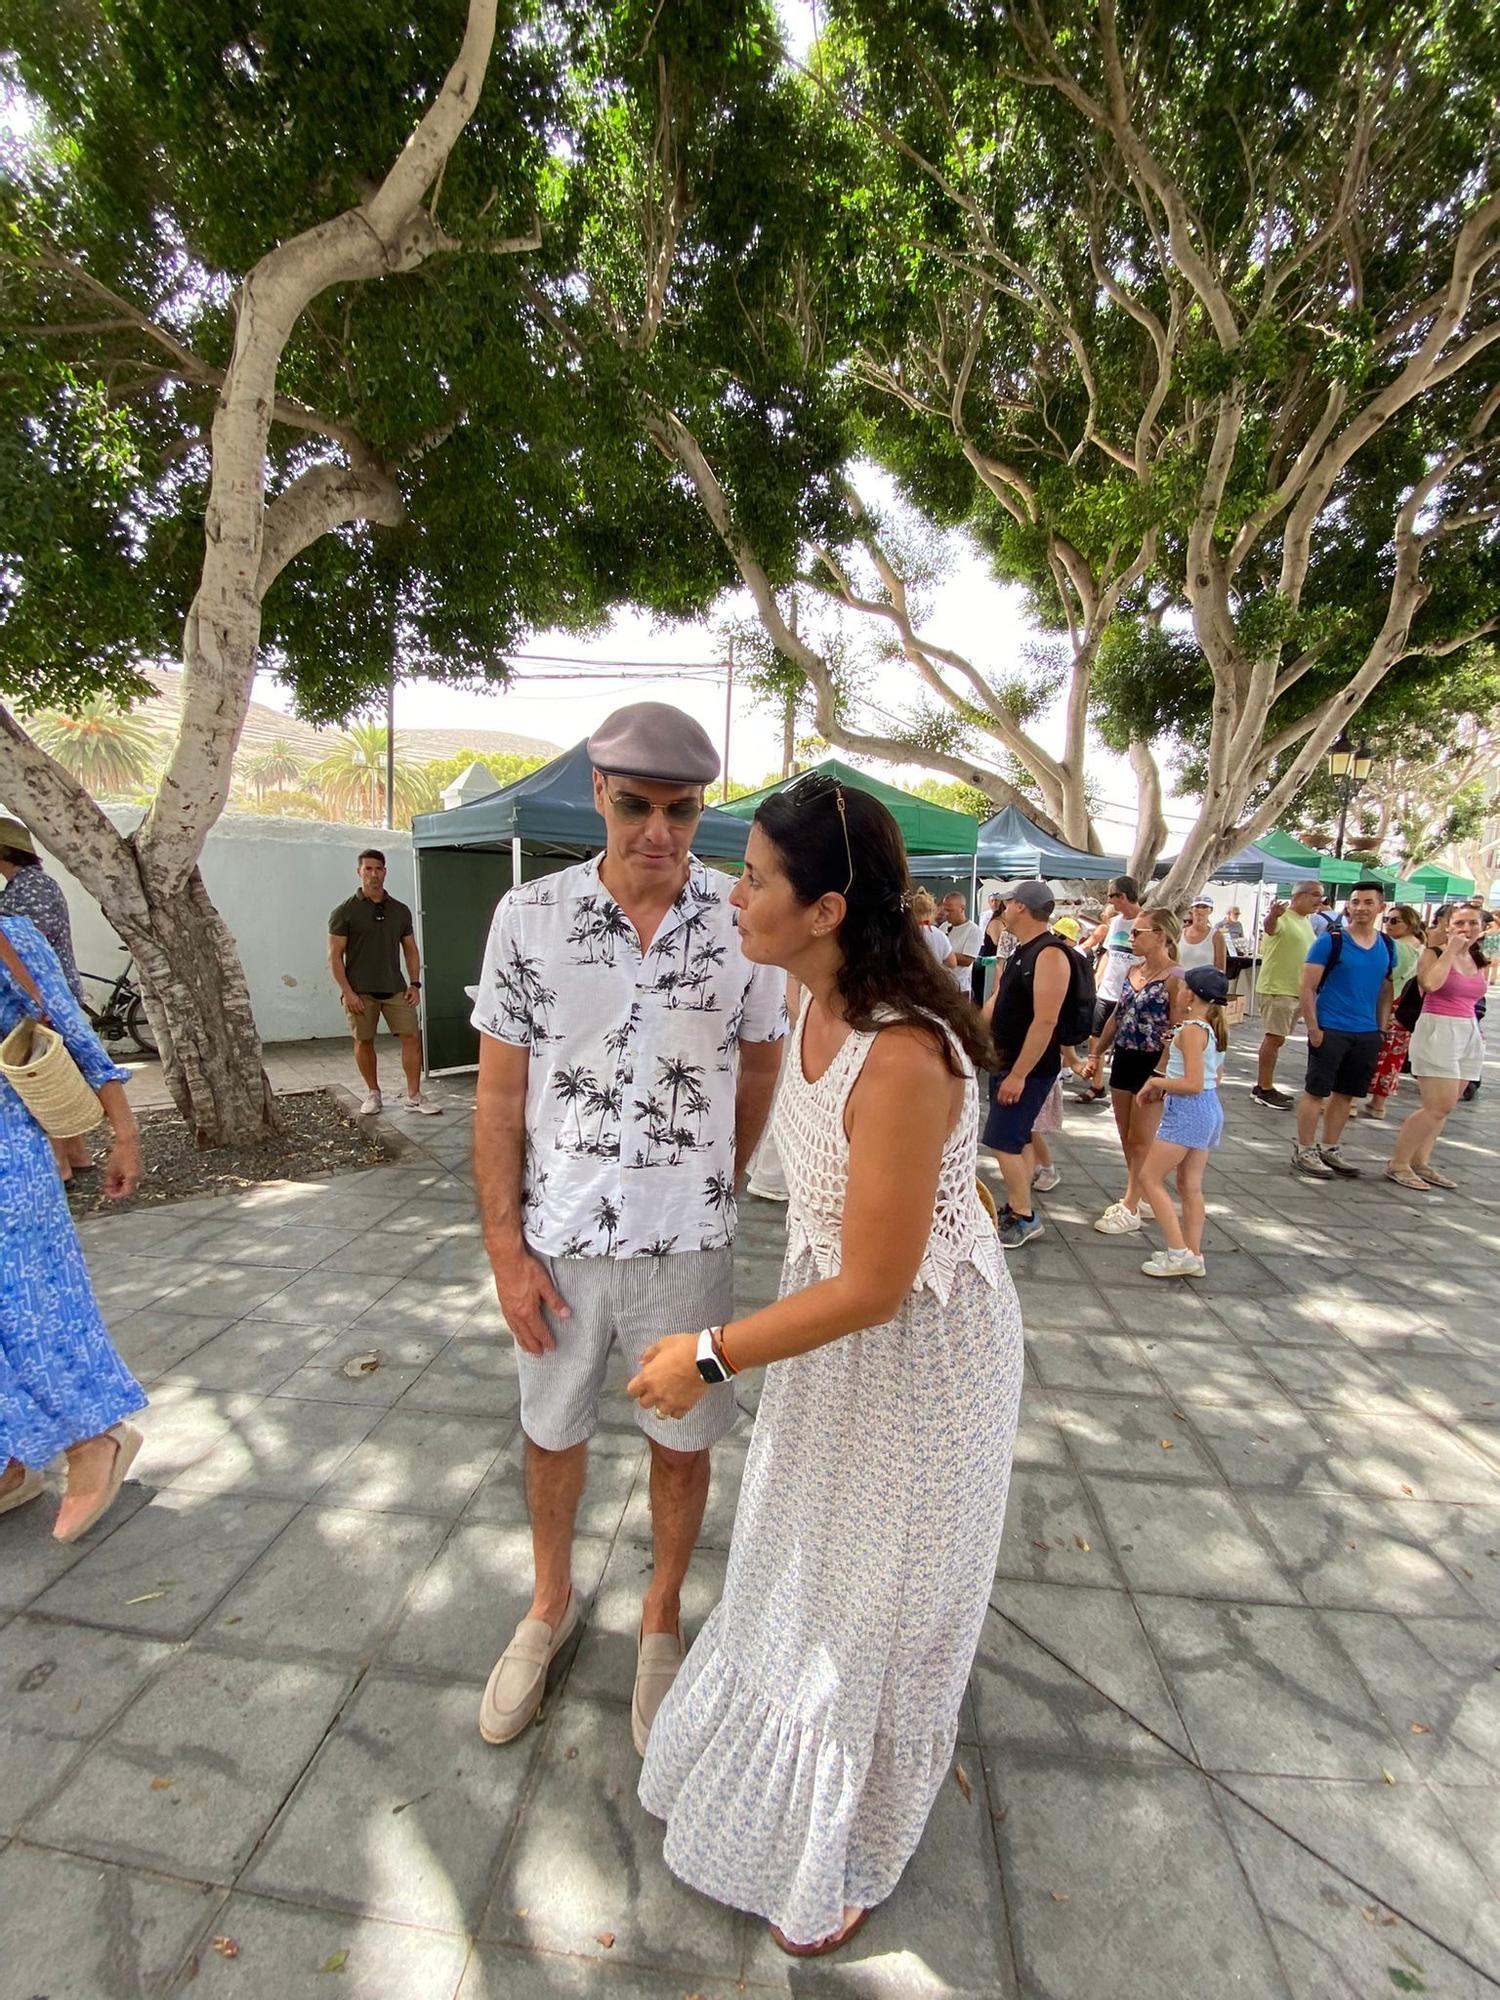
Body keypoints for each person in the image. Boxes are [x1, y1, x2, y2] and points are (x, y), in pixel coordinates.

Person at [629, 775, 1021, 1958]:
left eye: (754, 878)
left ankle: (839, 1839)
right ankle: (770, 1774)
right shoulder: (801, 998)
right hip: (835, 1341)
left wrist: (706, 1352)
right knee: (802, 1564)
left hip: (921, 1359)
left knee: (875, 1603)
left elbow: (877, 1285)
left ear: (829, 909)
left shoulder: (904, 1055)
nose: (730, 890)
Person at [471, 702, 786, 1755]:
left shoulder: (742, 921)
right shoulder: (530, 914)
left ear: (704, 807)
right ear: (599, 793)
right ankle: (549, 1604)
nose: (660, 826)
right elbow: (497, 1098)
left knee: (683, 1440)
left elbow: (762, 1062)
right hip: (557, 1238)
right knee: (551, 1429)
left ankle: (659, 1616)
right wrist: (506, 1252)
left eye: (683, 807)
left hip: (686, 1244)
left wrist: (722, 1179)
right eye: (638, 802)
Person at [1, 915, 147, 1542]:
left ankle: (95, 1436)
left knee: (33, 1302)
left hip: (7, 1156)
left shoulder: (9, 934)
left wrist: (124, 1132)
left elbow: (72, 1031)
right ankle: (10, 1457)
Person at [980, 881, 1075, 1249]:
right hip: (1007, 1060)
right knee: (1015, 1138)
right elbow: (997, 1001)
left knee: (1001, 1140)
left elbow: (1046, 1021)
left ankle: (1025, 1216)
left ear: (1021, 906)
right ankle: (1017, 1206)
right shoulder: (1023, 950)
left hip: (1028, 1068)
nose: (1001, 908)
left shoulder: (1050, 954)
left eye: (1006, 903)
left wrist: (1019, 1074)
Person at [0, 815, 94, 1181]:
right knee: (55, 1077)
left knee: (42, 1083)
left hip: (40, 999)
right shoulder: (23, 886)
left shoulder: (31, 888)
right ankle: (77, 1156)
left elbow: (27, 952)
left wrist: (36, 1002)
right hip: (42, 997)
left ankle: (63, 1167)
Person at [1085, 906, 1184, 1233]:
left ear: (1160, 936)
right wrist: (1097, 1053)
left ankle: (1131, 1205)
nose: (1132, 937)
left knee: (1142, 1139)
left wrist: (1162, 1070)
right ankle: (1138, 1194)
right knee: (1127, 1136)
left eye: (1138, 932)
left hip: (1151, 1062)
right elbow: (1118, 1016)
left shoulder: (1176, 978)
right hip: (1125, 1057)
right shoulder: (1133, 971)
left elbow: (1177, 1026)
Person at [1292, 881, 1395, 1179]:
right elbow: (1308, 987)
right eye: (1355, 902)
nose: (1361, 908)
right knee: (1316, 1092)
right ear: (1347, 906)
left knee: (1346, 1095)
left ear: (1380, 907)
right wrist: (1314, 1028)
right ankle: (1305, 1148)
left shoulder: (1386, 946)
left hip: (1365, 1032)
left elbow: (1386, 989)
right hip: (1330, 1027)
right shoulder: (1330, 941)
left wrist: (1381, 1027)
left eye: (1368, 902)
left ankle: (1330, 1147)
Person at [328, 849, 441, 1117]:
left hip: (394, 988)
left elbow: (410, 949)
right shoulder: (344, 912)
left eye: (378, 869)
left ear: (385, 871)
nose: (373, 874)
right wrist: (347, 992)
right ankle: (373, 1093)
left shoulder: (399, 911)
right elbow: (334, 956)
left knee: (412, 1037)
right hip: (360, 992)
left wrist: (415, 985)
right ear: (359, 872)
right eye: (368, 869)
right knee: (364, 1040)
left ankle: (414, 1095)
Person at [1135, 966, 1230, 1278]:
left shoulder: (1191, 1029)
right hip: (1207, 1109)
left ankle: (1177, 1252)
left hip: (1190, 1109)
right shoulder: (1210, 1028)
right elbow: (1212, 1076)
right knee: (1190, 1185)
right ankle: (1193, 1253)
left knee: (1150, 1178)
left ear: (1191, 994)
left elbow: (1192, 1083)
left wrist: (1156, 1084)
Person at [1385, 904, 1487, 1191]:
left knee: (1446, 1107)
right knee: (1436, 1105)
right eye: (1459, 923)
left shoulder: (1477, 959)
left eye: (1472, 923)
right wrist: (1450, 950)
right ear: (1447, 925)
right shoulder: (1435, 953)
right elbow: (1430, 983)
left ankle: (1421, 1160)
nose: (1465, 929)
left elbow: (1476, 998)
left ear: (1482, 928)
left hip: (1467, 1031)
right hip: (1437, 1028)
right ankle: (1399, 1162)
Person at [1251, 881, 1323, 1109]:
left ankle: (1265, 1085)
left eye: (1321, 896)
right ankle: (1264, 1087)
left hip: (1296, 991)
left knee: (1278, 1039)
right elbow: (1270, 927)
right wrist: (1273, 915)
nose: (1319, 900)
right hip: (1277, 989)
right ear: (1298, 895)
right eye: (1315, 895)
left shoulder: (1306, 922)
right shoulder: (1283, 918)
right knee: (1274, 1038)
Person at [1075, 875, 1141, 1101]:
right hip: (1108, 991)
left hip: (1133, 993)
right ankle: (1097, 1085)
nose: (1109, 900)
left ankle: (1129, 1088)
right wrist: (1096, 982)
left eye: (1112, 895)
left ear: (1123, 896)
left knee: (1128, 1041)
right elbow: (1108, 954)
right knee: (1096, 1037)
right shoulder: (1115, 923)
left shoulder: (1146, 923)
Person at [1360, 906, 1425, 1120]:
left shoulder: (1394, 947)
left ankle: (1351, 1099)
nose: (1388, 923)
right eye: (1387, 919)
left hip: (1385, 1003)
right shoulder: (1423, 948)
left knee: (1368, 1051)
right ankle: (1378, 1103)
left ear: (1410, 923)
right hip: (1407, 1008)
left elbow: (1383, 975)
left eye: (1395, 920)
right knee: (1393, 1056)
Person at [939, 891, 983, 994]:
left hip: (960, 988)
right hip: (941, 985)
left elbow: (968, 960)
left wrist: (944, 954)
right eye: (945, 910)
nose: (946, 914)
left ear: (962, 909)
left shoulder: (973, 930)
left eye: (950, 910)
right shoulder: (944, 926)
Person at [912, 889, 957, 973]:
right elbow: (952, 963)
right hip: (932, 981)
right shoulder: (939, 935)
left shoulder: (905, 933)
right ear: (932, 912)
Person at [1178, 897, 1228, 972]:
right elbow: (1172, 965)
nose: (1200, 910)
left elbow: (1220, 971)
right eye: (1197, 906)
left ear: (1211, 910)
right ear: (1192, 909)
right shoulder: (1180, 934)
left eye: (1204, 907)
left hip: (1206, 982)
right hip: (1181, 981)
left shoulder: (1217, 937)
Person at [1482, 909, 1500, 988]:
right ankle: (1485, 979)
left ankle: (1492, 980)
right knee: (1486, 964)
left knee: (1494, 964)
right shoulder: (1486, 931)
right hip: (1486, 948)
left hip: (1496, 949)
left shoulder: (1499, 931)